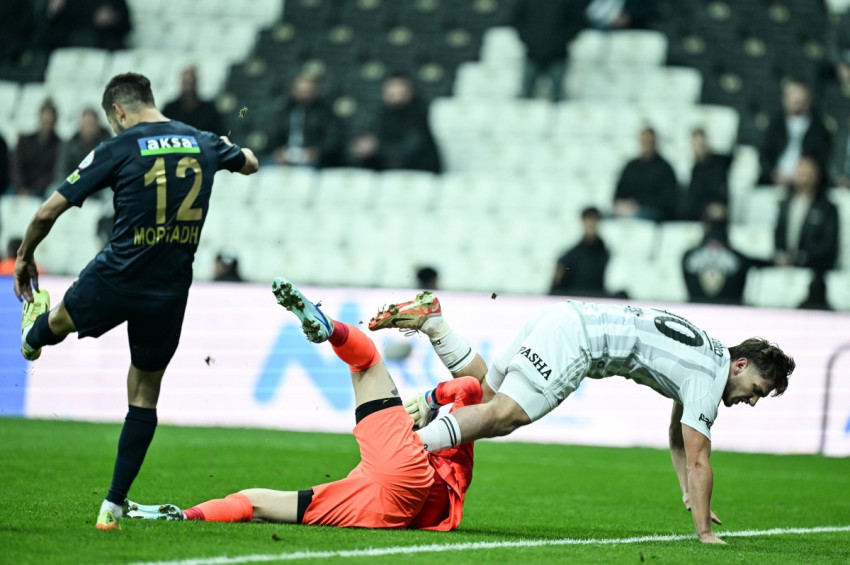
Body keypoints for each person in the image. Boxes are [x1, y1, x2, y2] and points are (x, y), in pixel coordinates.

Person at [13, 72, 259, 530]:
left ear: (119, 111)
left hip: (117, 275)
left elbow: (48, 210)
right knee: (144, 396)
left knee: (60, 320)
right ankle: (112, 506)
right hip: (168, 290)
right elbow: (250, 162)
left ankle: (33, 333)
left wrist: (24, 257)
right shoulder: (202, 140)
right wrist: (232, 150)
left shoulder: (120, 146)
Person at [369, 291, 795, 544]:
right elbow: (700, 457)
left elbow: (677, 435)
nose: (752, 401)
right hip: (580, 341)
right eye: (757, 390)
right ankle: (410, 444)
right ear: (740, 366)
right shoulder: (710, 376)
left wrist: (686, 491)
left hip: (563, 315)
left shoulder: (709, 357)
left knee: (487, 394)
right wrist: (705, 532)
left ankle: (437, 325)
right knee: (504, 416)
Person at [125, 277, 481, 530]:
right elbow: (472, 389)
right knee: (257, 503)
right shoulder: (440, 460)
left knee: (367, 359)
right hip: (388, 498)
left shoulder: (435, 457)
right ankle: (183, 516)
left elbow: (468, 388)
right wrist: (432, 406)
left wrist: (432, 399)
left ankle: (329, 326)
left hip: (392, 487)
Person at [349, 73, 442, 174]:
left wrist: (376, 148)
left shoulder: (418, 113)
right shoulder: (382, 114)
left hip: (418, 172)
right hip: (388, 173)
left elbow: (410, 148)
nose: (393, 91)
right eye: (390, 86)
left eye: (398, 86)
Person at [682, 204, 768, 305]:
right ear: (727, 226)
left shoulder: (687, 256)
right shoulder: (740, 259)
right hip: (730, 313)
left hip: (698, 313)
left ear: (705, 224)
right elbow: (759, 262)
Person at [509, 0, 587, 102]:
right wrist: (528, 40)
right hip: (532, 54)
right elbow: (517, 21)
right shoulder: (527, 2)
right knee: (525, 98)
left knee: (558, 99)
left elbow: (577, 23)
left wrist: (561, 41)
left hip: (558, 55)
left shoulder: (568, 2)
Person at [758, 80, 831, 187]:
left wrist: (805, 177)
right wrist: (774, 174)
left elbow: (821, 160)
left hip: (808, 187)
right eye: (793, 98)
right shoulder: (775, 125)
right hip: (773, 182)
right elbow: (765, 154)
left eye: (800, 99)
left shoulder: (818, 129)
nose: (797, 102)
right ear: (785, 99)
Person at [773, 156, 839, 274]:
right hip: (784, 266)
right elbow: (778, 235)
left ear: (817, 175)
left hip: (814, 268)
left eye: (808, 171)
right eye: (801, 170)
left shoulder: (827, 208)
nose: (804, 175)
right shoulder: (785, 203)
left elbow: (828, 246)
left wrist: (802, 258)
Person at [272, 74, 342, 168]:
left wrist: (317, 152)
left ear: (316, 91)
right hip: (286, 156)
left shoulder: (326, 112)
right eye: (300, 91)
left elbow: (332, 140)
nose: (304, 95)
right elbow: (273, 135)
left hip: (313, 159)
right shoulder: (284, 110)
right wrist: (277, 151)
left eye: (308, 91)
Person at [612, 127, 678, 222]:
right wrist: (622, 205)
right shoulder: (631, 167)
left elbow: (667, 200)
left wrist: (638, 206)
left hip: (654, 212)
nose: (646, 144)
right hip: (628, 210)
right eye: (644, 141)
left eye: (649, 141)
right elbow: (619, 193)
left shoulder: (665, 168)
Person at [550, 206, 609, 297]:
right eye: (589, 219)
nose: (592, 223)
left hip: (596, 301)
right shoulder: (569, 256)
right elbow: (555, 286)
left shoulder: (605, 252)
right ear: (583, 221)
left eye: (595, 219)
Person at [678, 128, 731, 222]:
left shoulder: (718, 164)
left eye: (701, 144)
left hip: (711, 207)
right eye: (696, 144)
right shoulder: (693, 167)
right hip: (695, 208)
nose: (699, 148)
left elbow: (719, 191)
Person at [11, 101, 62, 197]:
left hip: (42, 189)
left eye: (49, 120)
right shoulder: (24, 141)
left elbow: (54, 172)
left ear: (55, 121)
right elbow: (16, 166)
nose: (46, 123)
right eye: (44, 120)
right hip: (20, 187)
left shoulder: (60, 145)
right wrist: (21, 187)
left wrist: (33, 189)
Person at [55, 108, 112, 183]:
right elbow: (63, 170)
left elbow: (110, 170)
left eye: (91, 124)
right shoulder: (71, 145)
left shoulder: (108, 145)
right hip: (76, 183)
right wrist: (74, 184)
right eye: (86, 124)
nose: (89, 128)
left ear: (98, 125)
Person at [163, 66, 224, 135]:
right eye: (186, 83)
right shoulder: (170, 110)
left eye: (191, 83)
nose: (188, 88)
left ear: (196, 83)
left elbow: (219, 135)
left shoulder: (209, 110)